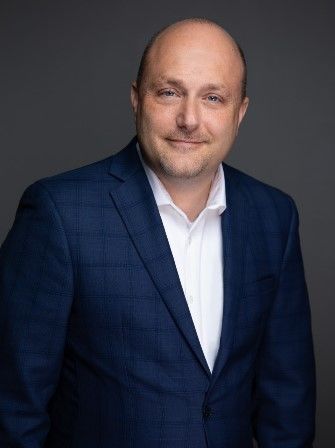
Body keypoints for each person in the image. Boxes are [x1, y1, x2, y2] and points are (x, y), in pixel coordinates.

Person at [0, 17, 316, 448]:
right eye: (169, 92)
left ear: (240, 112)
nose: (189, 119)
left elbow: (288, 401)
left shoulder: (275, 216)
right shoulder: (58, 213)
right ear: (136, 99)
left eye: (213, 97)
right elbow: (12, 405)